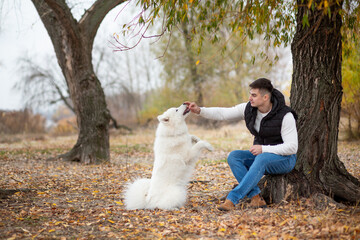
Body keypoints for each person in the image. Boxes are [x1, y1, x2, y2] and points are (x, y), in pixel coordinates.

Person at [185, 78, 298, 211]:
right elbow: (223, 114)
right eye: (250, 94)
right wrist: (199, 110)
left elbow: (292, 147)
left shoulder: (285, 116)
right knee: (234, 156)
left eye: (254, 95)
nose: (250, 98)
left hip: (285, 159)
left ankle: (232, 199)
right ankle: (256, 197)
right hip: (262, 157)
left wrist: (263, 148)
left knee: (262, 158)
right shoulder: (249, 108)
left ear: (266, 97)